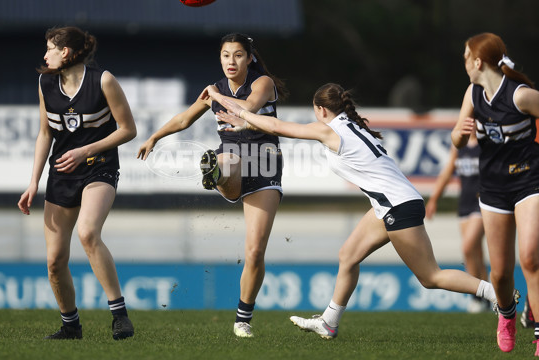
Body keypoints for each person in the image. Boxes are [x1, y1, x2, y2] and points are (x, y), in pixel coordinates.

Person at [203, 81, 497, 341]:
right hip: (391, 202)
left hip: (398, 205)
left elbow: (280, 128)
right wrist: (247, 122)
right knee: (348, 256)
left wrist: (239, 113)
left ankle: (495, 294)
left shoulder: (331, 129)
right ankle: (329, 323)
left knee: (430, 277)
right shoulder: (352, 125)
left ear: (320, 110)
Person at [137, 33, 288, 338]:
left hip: (265, 163)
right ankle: (216, 172)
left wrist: (217, 98)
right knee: (229, 161)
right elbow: (184, 120)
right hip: (233, 155)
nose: (231, 62)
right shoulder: (215, 88)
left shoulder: (262, 83)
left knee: (255, 250)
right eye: (225, 55)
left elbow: (249, 107)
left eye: (238, 55)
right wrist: (155, 137)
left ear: (250, 58)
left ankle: (242, 318)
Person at [17, 26, 137, 340]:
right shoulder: (45, 82)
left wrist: (86, 150)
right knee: (55, 261)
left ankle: (119, 314)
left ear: (66, 52)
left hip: (99, 168)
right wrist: (33, 183)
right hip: (62, 175)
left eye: (50, 48)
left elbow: (128, 130)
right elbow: (45, 134)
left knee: (87, 233)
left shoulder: (103, 81)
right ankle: (71, 326)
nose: (45, 55)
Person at [451, 32, 539, 355]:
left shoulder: (521, 96)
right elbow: (456, 141)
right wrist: (459, 134)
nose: (463, 63)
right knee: (500, 273)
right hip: (493, 189)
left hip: (530, 182)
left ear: (478, 61)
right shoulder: (472, 95)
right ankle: (506, 315)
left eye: (465, 57)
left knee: (530, 258)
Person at [425, 133, 489, 313]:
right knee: (476, 253)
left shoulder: (487, 143)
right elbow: (447, 173)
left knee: (468, 248)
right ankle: (489, 297)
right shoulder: (459, 145)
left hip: (483, 203)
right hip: (465, 205)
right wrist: (434, 199)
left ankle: (478, 297)